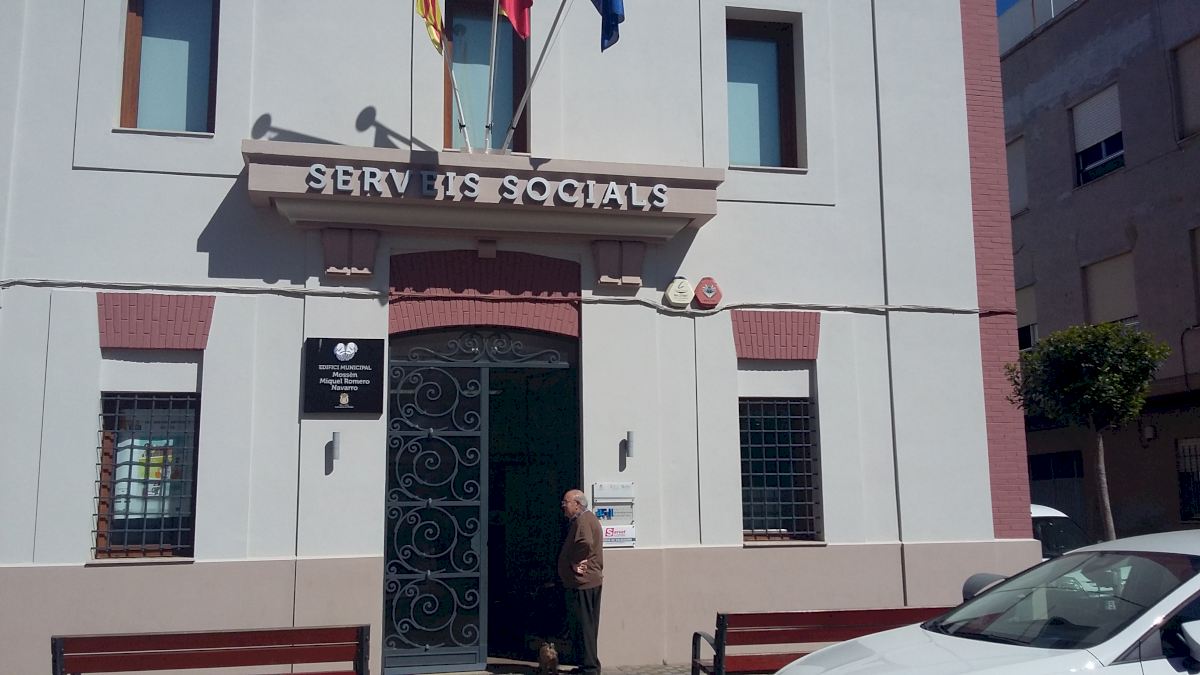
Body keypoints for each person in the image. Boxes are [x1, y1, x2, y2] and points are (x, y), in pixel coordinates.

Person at [558, 489, 603, 675]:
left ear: (577, 504)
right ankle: (587, 665)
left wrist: (574, 561)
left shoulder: (583, 520)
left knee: (584, 626)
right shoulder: (586, 519)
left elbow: (585, 542)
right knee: (586, 626)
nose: (563, 506)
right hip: (587, 581)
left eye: (566, 502)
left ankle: (590, 668)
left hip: (583, 582)